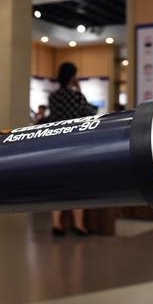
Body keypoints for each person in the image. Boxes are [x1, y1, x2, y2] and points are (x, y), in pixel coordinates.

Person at [46, 62, 97, 237]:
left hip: (55, 143)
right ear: (72, 77)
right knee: (78, 185)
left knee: (57, 185)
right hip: (75, 144)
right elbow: (90, 112)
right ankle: (79, 225)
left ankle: (56, 224)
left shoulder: (53, 97)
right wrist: (79, 90)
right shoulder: (76, 96)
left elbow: (53, 118)